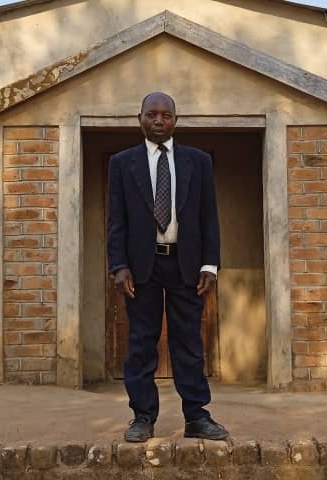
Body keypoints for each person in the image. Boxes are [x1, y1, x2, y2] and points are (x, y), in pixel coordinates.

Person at [107, 92, 229, 442]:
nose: (158, 121)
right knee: (141, 343)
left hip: (186, 264)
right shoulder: (122, 162)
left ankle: (197, 417)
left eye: (166, 115)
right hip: (141, 267)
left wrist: (210, 264)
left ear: (176, 119)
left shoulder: (198, 161)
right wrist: (119, 266)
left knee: (188, 342)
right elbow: (117, 220)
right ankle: (143, 417)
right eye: (151, 114)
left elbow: (209, 216)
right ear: (139, 118)